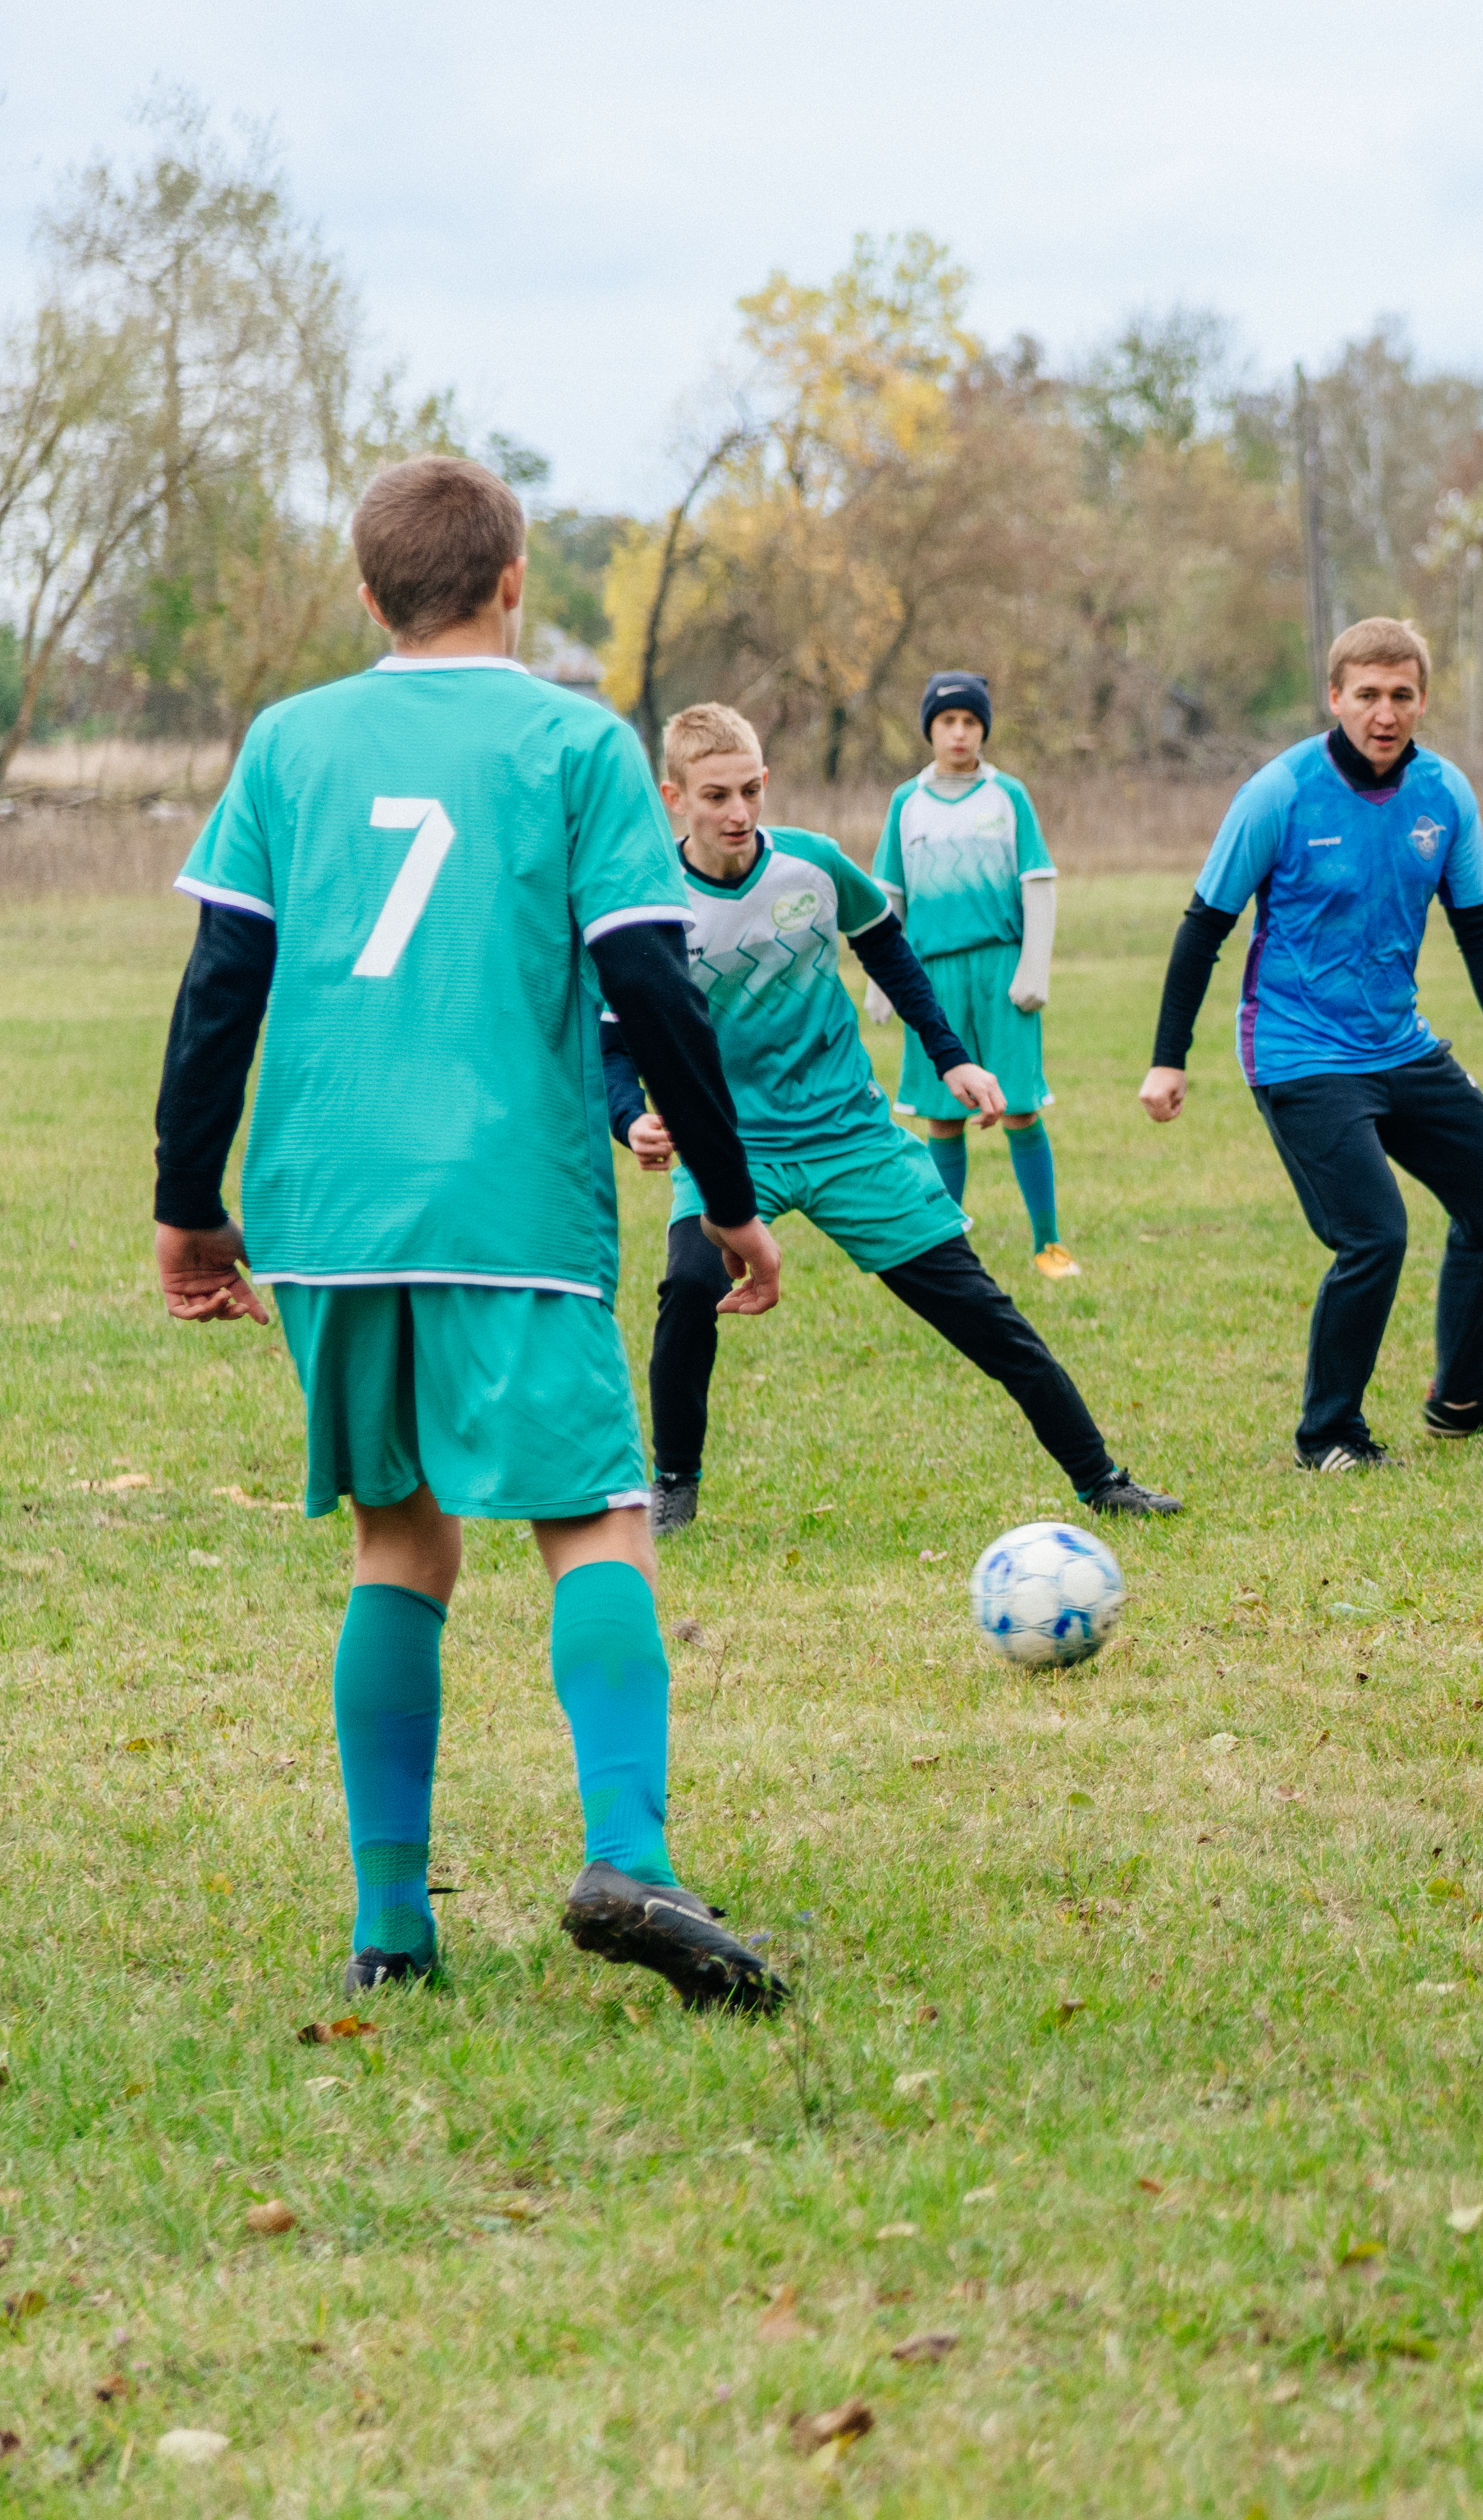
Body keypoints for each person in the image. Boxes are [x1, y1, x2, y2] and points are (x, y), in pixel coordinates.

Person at [151, 454, 790, 2011]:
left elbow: (220, 984)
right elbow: (651, 980)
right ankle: (628, 1851)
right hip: (508, 1197)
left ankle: (392, 1929)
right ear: (515, 583)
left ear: (368, 592)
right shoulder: (573, 738)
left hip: (325, 1207)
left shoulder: (290, 741)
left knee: (401, 1537)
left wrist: (188, 1205)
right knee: (598, 1518)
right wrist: (728, 1197)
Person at [605, 703, 1183, 1536]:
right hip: (726, 1147)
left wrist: (951, 1056)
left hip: (848, 1138)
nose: (736, 813)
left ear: (766, 783)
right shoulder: (650, 900)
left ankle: (1101, 1478)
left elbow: (889, 952)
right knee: (688, 1287)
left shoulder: (813, 866)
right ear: (674, 797)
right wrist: (632, 1120)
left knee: (982, 1310)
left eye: (749, 791)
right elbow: (615, 1035)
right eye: (714, 796)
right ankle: (673, 1489)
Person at [1142, 618, 1483, 1470]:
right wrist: (1168, 1055)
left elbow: (1479, 926)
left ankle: (1462, 1396)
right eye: (1367, 694)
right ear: (1335, 697)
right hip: (1300, 1050)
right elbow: (1204, 927)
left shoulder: (1444, 794)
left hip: (1399, 1043)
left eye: (1402, 695)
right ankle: (1328, 1434)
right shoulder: (1281, 792)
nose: (1385, 712)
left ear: (1421, 701)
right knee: (1373, 1234)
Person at [873, 671, 1075, 1277]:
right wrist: (881, 981)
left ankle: (1048, 1244)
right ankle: (945, 1247)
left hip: (1000, 968)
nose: (959, 733)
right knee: (943, 1113)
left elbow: (1036, 882)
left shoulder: (1008, 795)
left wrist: (1033, 967)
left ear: (983, 728)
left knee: (1019, 1106)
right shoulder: (906, 803)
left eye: (969, 722)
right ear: (930, 730)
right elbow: (886, 896)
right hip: (931, 976)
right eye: (947, 722)